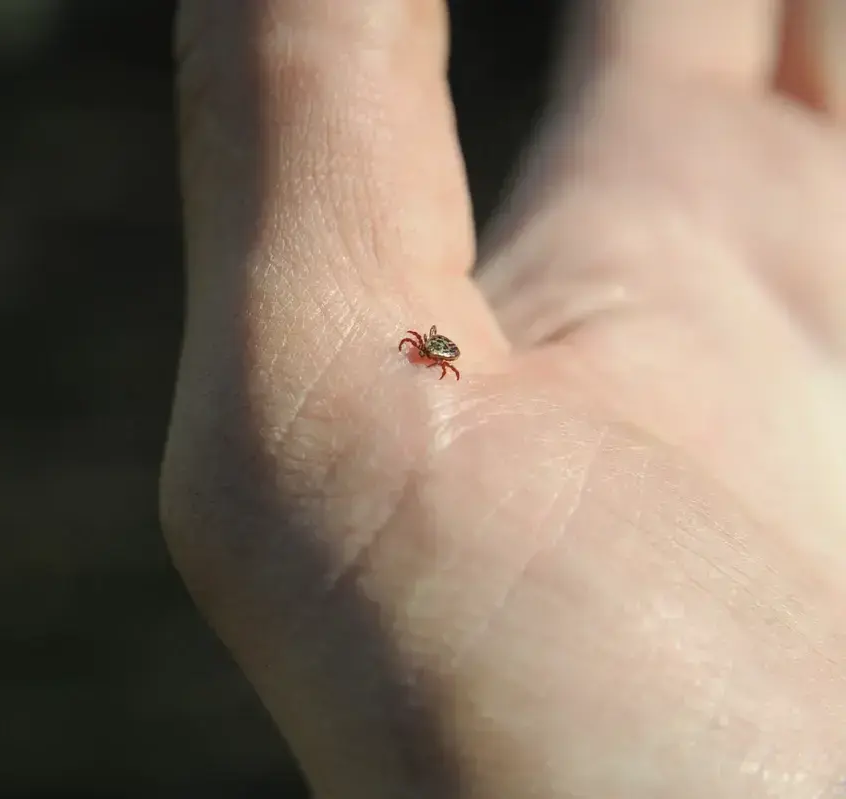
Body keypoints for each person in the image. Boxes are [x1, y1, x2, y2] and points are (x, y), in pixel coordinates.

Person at [160, 1, 846, 795]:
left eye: (425, 354)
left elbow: (429, 350)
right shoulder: (428, 357)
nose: (424, 356)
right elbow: (428, 351)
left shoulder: (429, 351)